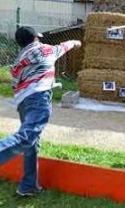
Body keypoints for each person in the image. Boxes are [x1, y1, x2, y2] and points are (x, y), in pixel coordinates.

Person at [0, 26, 81, 197]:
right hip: (38, 98)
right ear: (35, 38)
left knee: (31, 142)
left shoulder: (20, 59)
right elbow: (64, 47)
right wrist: (75, 42)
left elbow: (15, 80)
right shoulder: (45, 50)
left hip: (22, 101)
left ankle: (28, 185)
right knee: (27, 137)